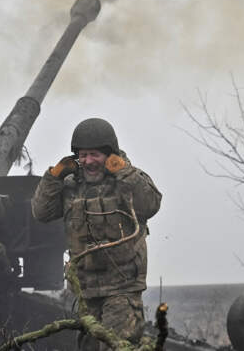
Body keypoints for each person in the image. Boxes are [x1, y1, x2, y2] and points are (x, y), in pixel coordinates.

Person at [32, 118, 162, 350]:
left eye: (94, 155)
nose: (88, 161)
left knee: (117, 347)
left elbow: (150, 204)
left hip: (121, 290)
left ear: (110, 154)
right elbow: (41, 213)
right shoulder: (71, 185)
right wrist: (54, 176)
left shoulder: (128, 179)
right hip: (86, 292)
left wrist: (124, 172)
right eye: (82, 155)